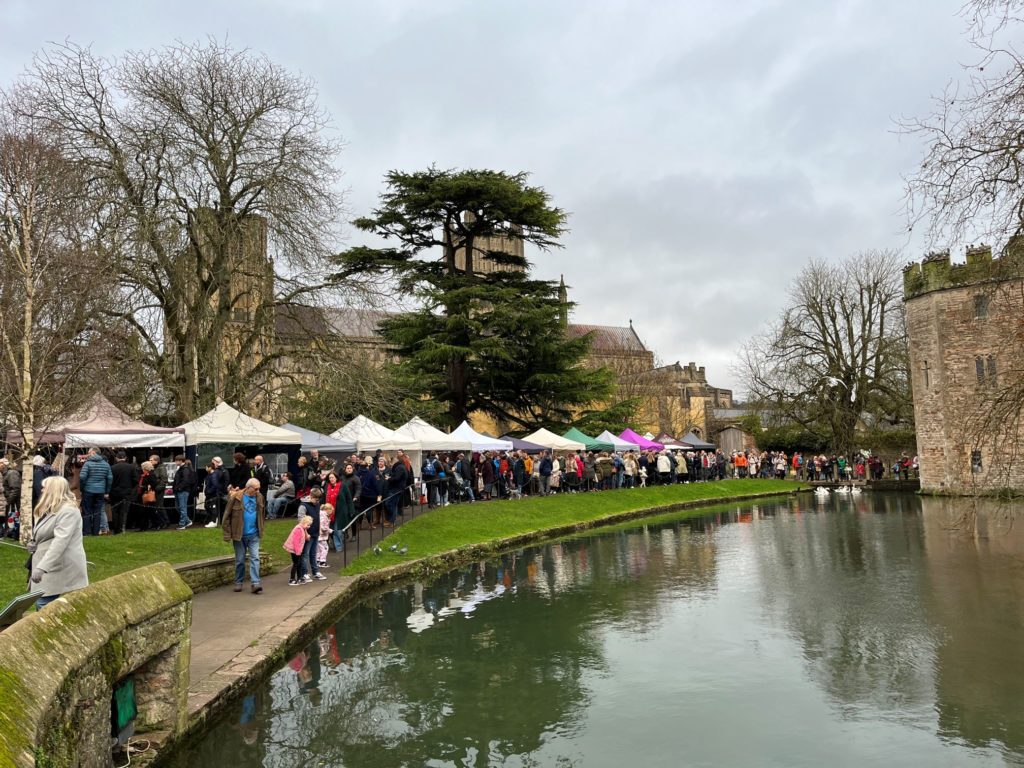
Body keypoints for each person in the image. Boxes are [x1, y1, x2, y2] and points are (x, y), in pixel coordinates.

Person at [28, 476, 89, 610]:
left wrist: (42, 567)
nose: (42, 490)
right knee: (42, 602)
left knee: (45, 605)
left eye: (45, 488)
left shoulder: (68, 511)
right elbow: (46, 534)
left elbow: (60, 542)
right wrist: (35, 542)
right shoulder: (49, 509)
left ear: (53, 490)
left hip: (59, 565)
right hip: (50, 564)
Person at [222, 478, 265, 594]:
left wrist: (261, 528)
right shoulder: (236, 497)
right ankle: (238, 582)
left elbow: (262, 514)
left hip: (254, 534)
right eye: (256, 488)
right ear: (248, 487)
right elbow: (226, 516)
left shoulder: (259, 497)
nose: (258, 490)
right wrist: (227, 534)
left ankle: (255, 583)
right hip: (239, 535)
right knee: (240, 560)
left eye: (258, 488)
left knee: (255, 558)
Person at [77, 447, 112, 536]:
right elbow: (110, 478)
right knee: (97, 512)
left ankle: (87, 532)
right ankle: (95, 532)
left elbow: (82, 477)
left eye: (89, 452)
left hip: (88, 490)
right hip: (100, 491)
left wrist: (82, 488)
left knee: (86, 511)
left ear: (93, 453)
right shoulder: (106, 464)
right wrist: (107, 491)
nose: (88, 453)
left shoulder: (87, 464)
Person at [298, 487, 326, 581]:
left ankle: (315, 571)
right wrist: (306, 534)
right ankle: (304, 572)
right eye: (315, 499)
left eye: (318, 500)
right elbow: (301, 521)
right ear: (311, 496)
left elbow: (317, 517)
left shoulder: (317, 504)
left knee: (313, 553)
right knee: (305, 554)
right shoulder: (303, 506)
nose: (316, 502)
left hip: (315, 533)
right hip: (307, 534)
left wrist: (319, 530)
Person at [109, 452, 139, 535]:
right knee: (124, 511)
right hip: (126, 492)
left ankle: (116, 529)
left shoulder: (112, 468)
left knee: (115, 511)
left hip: (114, 492)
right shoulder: (131, 467)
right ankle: (122, 528)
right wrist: (130, 487)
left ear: (116, 458)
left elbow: (109, 481)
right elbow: (136, 480)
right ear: (125, 458)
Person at [284, 515, 313, 586]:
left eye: (310, 525)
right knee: (296, 564)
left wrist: (307, 536)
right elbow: (296, 542)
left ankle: (300, 577)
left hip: (298, 550)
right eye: (308, 525)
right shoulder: (298, 529)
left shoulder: (303, 528)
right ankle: (292, 579)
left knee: (299, 564)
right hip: (294, 550)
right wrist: (298, 552)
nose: (309, 527)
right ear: (304, 522)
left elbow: (305, 535)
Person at [204, 457, 230, 528]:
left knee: (214, 507)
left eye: (213, 462)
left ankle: (214, 521)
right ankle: (213, 520)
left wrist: (210, 491)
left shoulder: (219, 472)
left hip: (217, 493)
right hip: (216, 492)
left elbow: (218, 484)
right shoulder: (215, 472)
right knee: (210, 506)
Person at [172, 455, 197, 529]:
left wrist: (179, 488)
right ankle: (188, 521)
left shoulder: (185, 469)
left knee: (182, 508)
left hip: (183, 491)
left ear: (180, 461)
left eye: (176, 460)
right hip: (179, 490)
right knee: (178, 507)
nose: (175, 462)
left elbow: (186, 481)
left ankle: (182, 524)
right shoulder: (181, 469)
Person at [134, 461, 160, 531]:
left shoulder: (151, 475)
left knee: (151, 511)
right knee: (143, 512)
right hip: (142, 495)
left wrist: (143, 487)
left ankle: (157, 525)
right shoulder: (143, 475)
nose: (142, 469)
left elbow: (154, 484)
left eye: (143, 467)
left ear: (146, 468)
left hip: (147, 495)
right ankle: (143, 527)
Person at [385, 455, 408, 527]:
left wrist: (389, 479)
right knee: (392, 504)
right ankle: (391, 521)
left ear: (397, 460)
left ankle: (392, 521)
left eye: (394, 458)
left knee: (389, 504)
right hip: (397, 488)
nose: (392, 460)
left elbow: (397, 478)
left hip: (396, 489)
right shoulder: (400, 467)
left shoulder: (400, 467)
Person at [316, 503, 333, 569]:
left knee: (318, 549)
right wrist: (330, 530)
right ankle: (322, 562)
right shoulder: (324, 516)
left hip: (319, 536)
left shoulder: (321, 514)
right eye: (331, 511)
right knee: (325, 548)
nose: (332, 513)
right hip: (321, 536)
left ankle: (317, 561)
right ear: (328, 510)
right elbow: (323, 527)